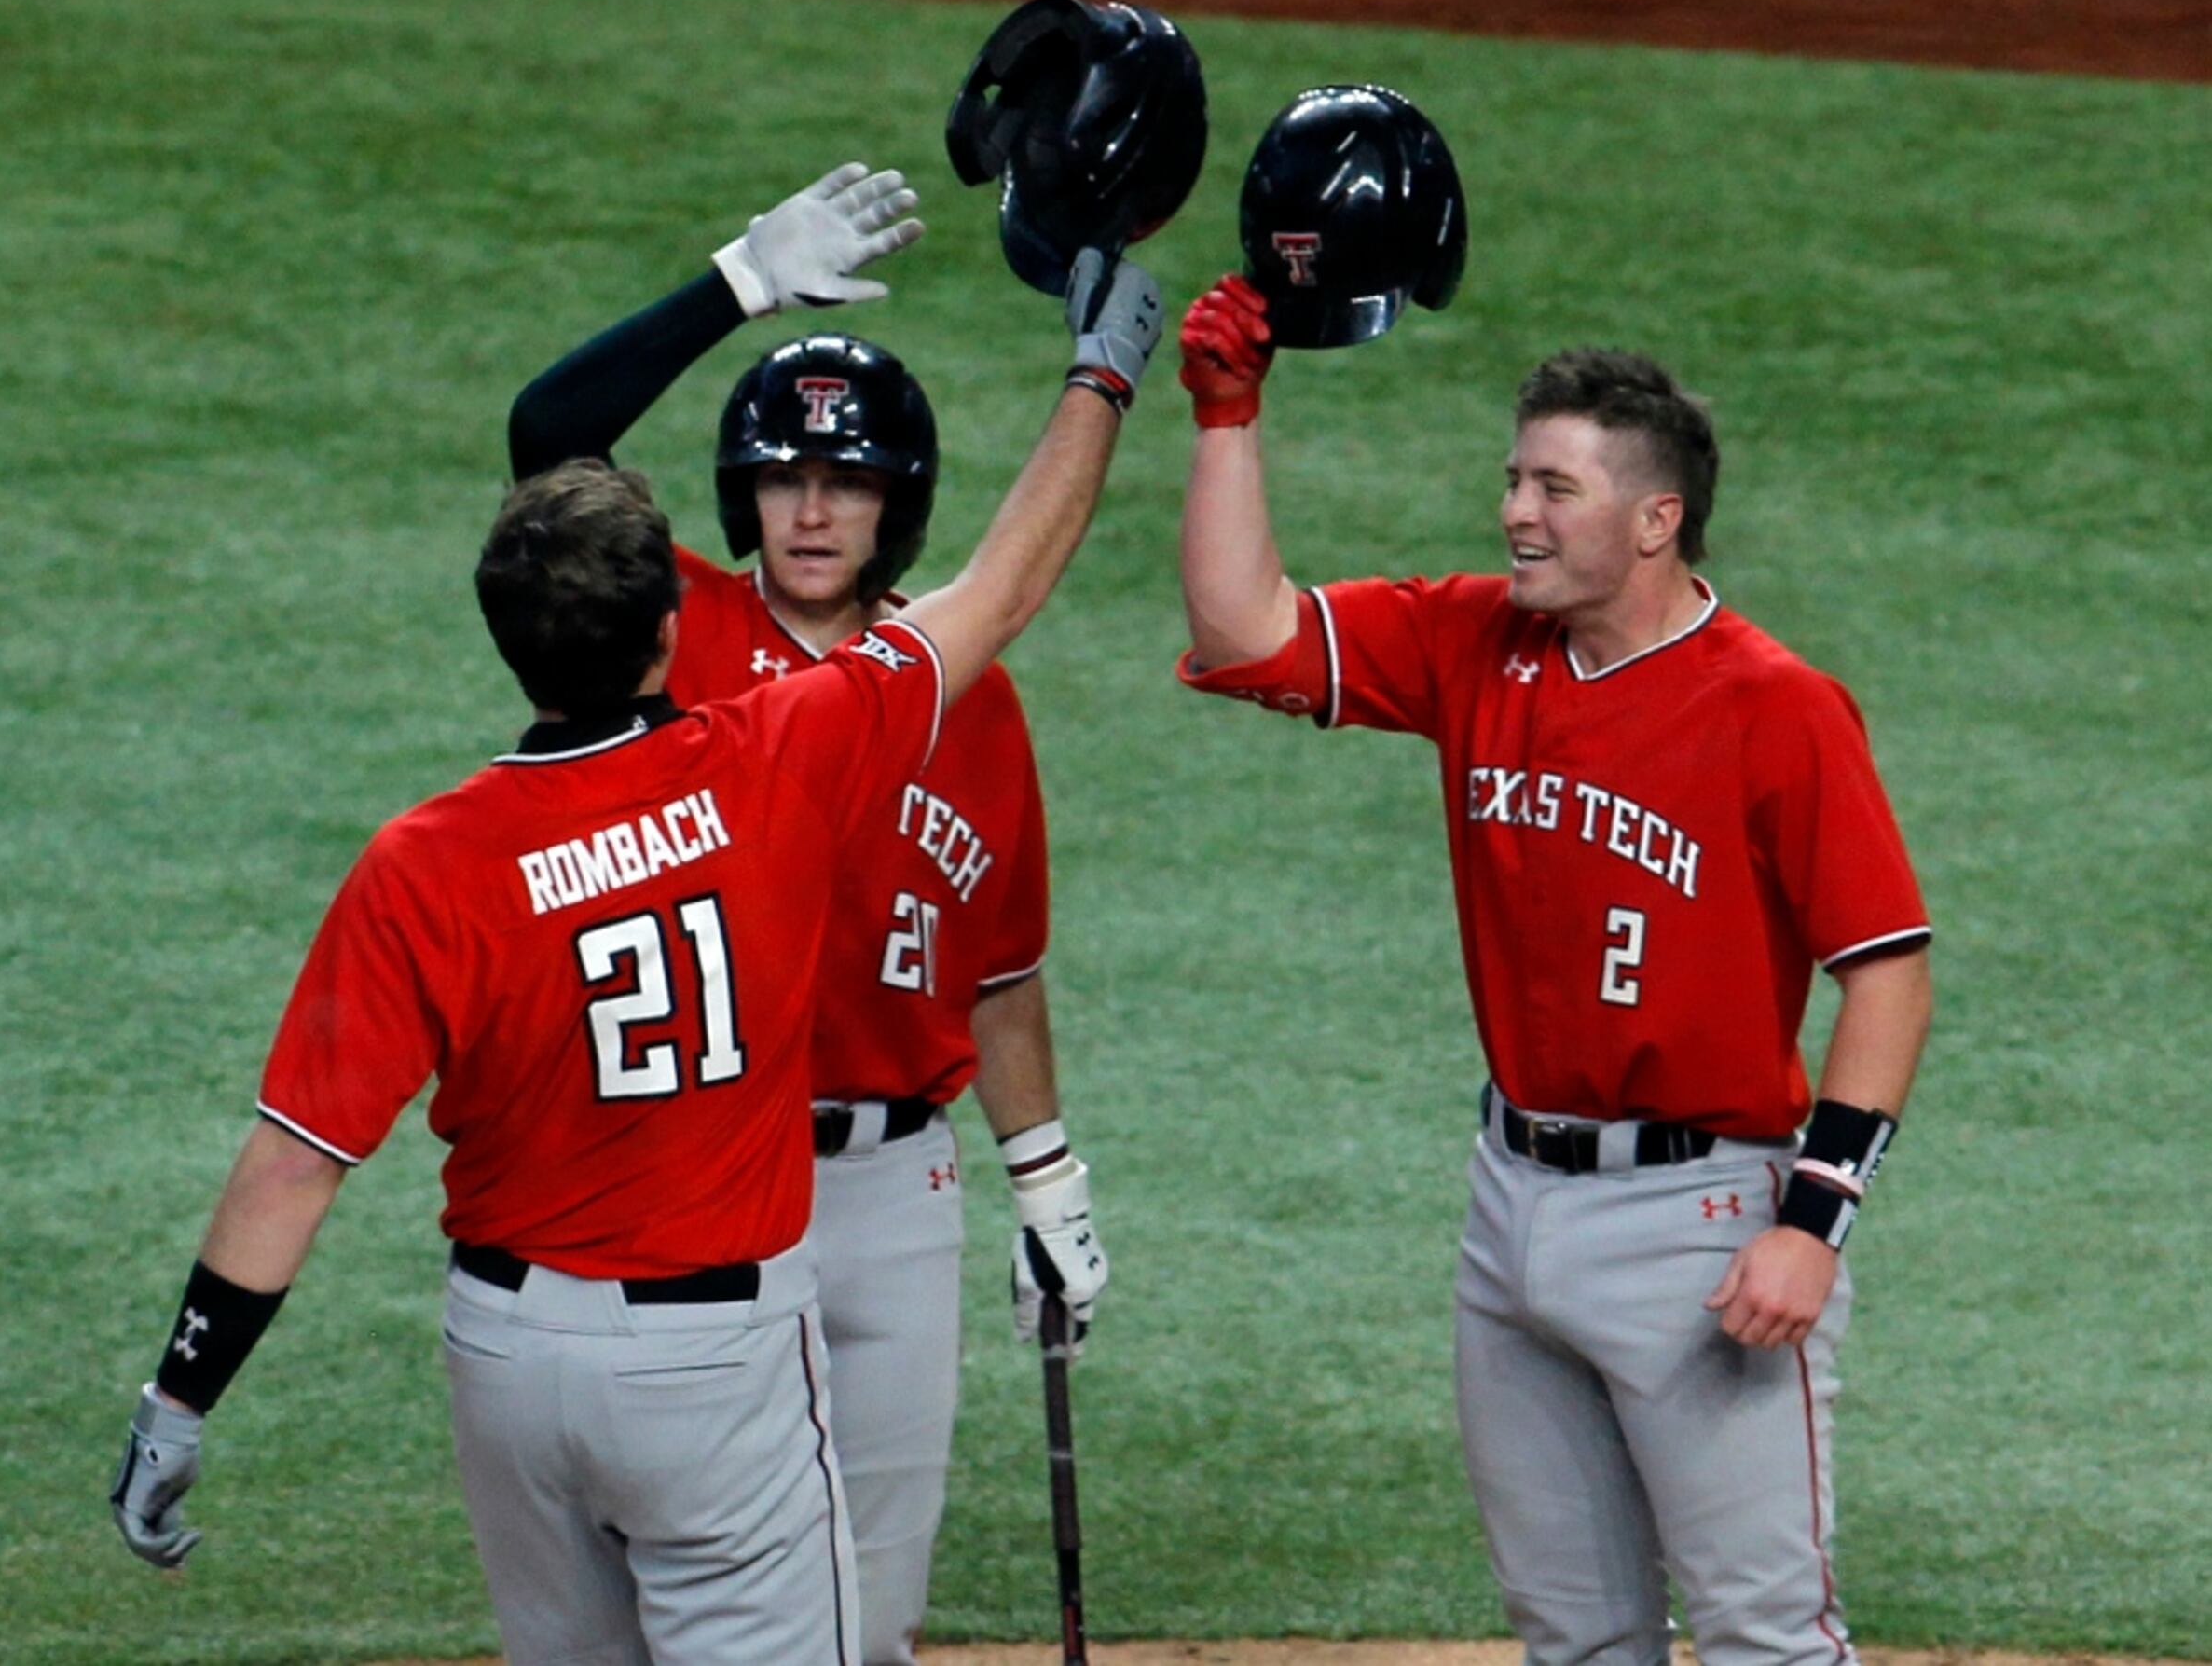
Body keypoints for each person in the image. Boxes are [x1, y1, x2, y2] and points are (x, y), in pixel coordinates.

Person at [105, 161, 1162, 1666]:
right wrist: (1101, 376)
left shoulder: (424, 858)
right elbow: (1002, 585)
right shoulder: (777, 758)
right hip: (727, 1316)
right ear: (673, 622)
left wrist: (179, 1396)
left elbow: (292, 1160)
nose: (813, 506)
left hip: (514, 1336)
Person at [1172, 274, 1932, 1666]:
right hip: (1507, 1203)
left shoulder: (1774, 706)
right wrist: (1228, 415)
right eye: (1515, 478)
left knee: (1765, 1633)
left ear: (1656, 518)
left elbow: (1885, 971)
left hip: (1700, 1222)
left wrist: (1810, 1223)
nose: (1516, 511)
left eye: (1554, 487)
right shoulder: (1477, 640)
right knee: (1572, 1634)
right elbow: (1244, 626)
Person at [505, 168, 1111, 1665]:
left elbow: (1004, 971)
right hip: (713, 1172)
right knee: (702, 1601)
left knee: (870, 1613)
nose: (816, 506)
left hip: (896, 1193)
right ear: (743, 496)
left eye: (846, 481)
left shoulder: (965, 693)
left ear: (899, 503)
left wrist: (1044, 1182)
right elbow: (544, 445)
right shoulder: (680, 636)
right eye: (786, 476)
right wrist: (734, 283)